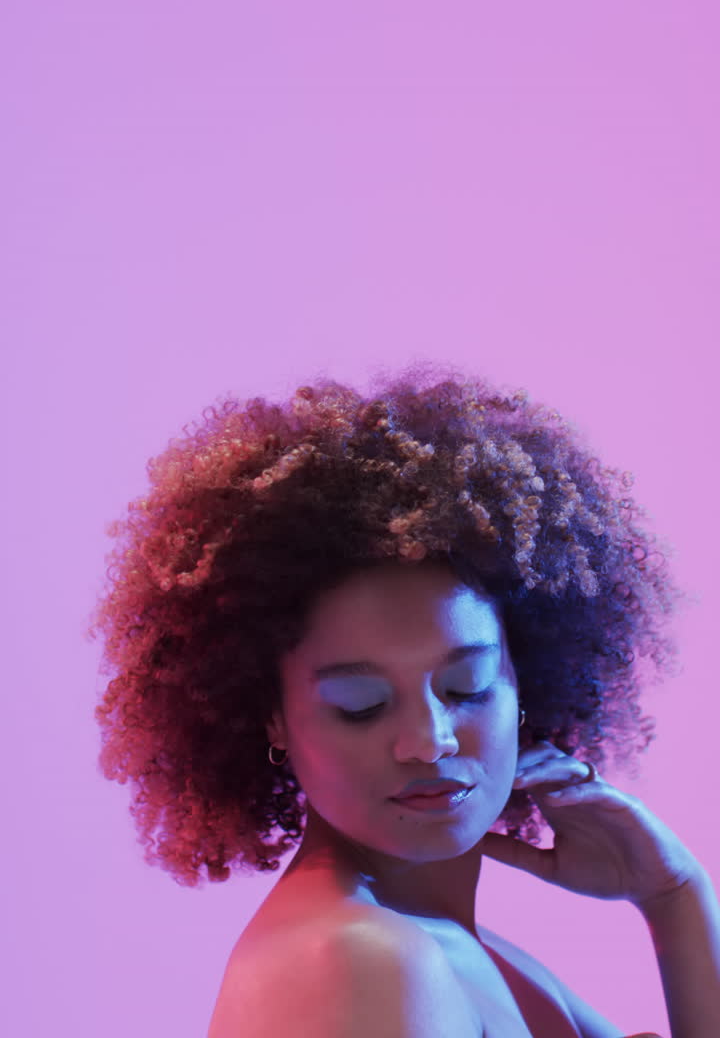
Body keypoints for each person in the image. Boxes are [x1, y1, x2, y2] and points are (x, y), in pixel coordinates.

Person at [85, 362, 717, 1036]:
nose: (429, 739)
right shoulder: (358, 963)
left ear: (526, 682)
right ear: (272, 716)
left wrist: (675, 896)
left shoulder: (462, 951)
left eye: (465, 688)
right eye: (361, 704)